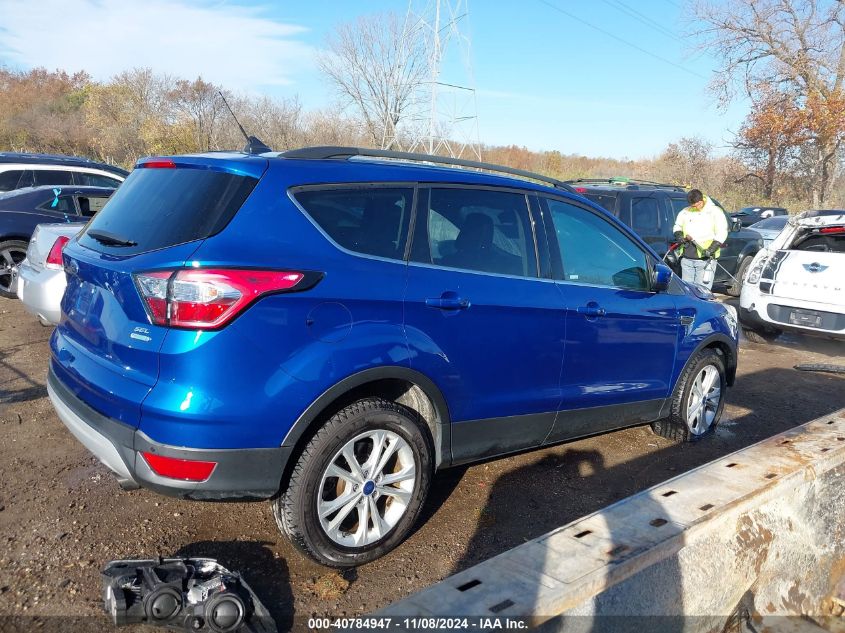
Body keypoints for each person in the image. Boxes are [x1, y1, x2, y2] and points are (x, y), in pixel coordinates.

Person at [672, 189, 728, 290]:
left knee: (702, 291)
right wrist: (679, 236)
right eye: (691, 205)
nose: (693, 207)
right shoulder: (685, 212)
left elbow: (722, 232)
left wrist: (711, 249)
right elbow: (677, 226)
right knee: (687, 290)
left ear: (701, 201)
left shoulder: (714, 212)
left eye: (695, 205)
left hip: (705, 259)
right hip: (687, 258)